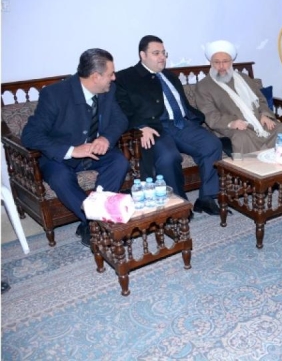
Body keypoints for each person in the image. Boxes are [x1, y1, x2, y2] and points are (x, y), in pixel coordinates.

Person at [21, 48, 129, 247]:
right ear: (95, 76)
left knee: (119, 162)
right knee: (60, 177)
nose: (114, 78)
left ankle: (94, 221)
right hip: (61, 157)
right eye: (110, 74)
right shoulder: (55, 94)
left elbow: (120, 119)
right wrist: (72, 150)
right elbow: (30, 135)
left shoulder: (108, 90)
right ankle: (93, 222)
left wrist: (106, 138)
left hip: (94, 152)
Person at [115, 35, 223, 216]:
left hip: (182, 124)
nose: (162, 57)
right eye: (156, 53)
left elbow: (183, 104)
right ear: (142, 55)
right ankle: (179, 206)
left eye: (163, 53)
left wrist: (194, 119)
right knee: (168, 157)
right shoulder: (125, 78)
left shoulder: (170, 76)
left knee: (212, 145)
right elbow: (120, 108)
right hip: (155, 128)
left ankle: (206, 198)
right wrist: (140, 126)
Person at [192, 40, 282, 154]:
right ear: (211, 63)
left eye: (225, 61)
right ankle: (253, 165)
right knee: (242, 139)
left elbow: (260, 99)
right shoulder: (204, 86)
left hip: (258, 121)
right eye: (216, 62)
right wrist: (231, 122)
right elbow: (209, 114)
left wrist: (264, 115)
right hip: (232, 126)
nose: (221, 66)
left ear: (231, 62)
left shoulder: (244, 78)